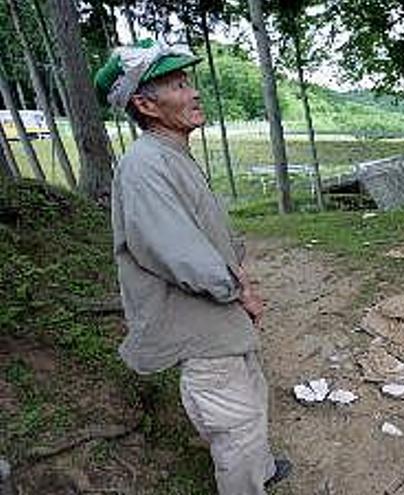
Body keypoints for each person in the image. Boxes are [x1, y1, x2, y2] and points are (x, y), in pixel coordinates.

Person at [95, 40, 291, 494]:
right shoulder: (144, 166)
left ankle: (260, 471)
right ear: (145, 104)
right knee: (234, 424)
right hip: (197, 329)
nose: (194, 92)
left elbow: (208, 235)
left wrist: (239, 281)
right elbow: (180, 252)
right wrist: (238, 290)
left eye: (188, 81)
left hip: (219, 317)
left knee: (251, 396)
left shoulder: (171, 155)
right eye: (179, 84)